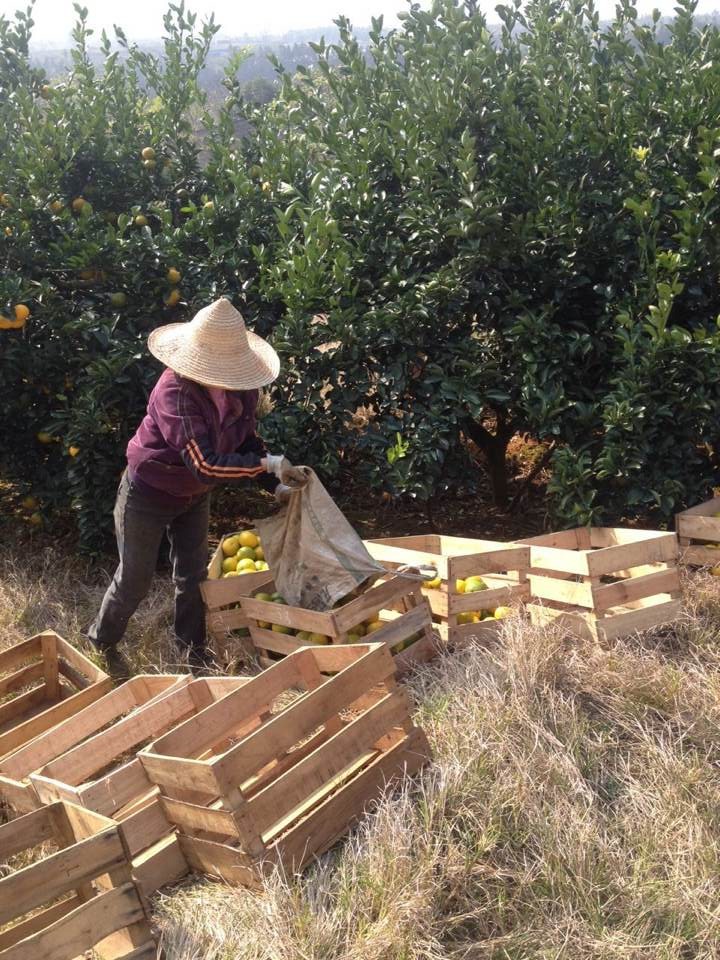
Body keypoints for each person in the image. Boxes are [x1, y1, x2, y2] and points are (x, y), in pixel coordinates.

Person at [88, 297, 301, 672]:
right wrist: (266, 464)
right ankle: (100, 641)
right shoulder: (175, 393)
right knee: (135, 579)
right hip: (148, 492)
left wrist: (275, 483)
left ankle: (192, 652)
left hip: (194, 496)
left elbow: (245, 442)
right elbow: (205, 464)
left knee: (193, 577)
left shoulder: (241, 390)